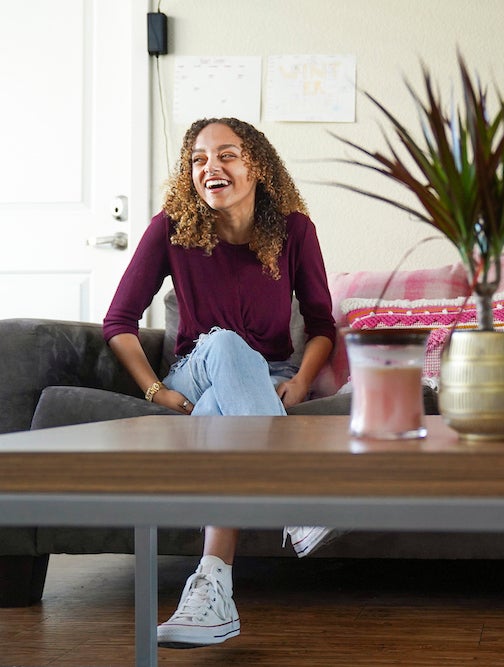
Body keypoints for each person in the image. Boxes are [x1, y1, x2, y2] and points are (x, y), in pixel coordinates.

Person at [103, 117, 338, 648]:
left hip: (267, 377)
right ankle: (298, 500)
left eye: (226, 154)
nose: (211, 167)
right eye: (198, 159)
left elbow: (322, 326)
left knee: (217, 415)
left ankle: (211, 593)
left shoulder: (294, 231)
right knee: (227, 345)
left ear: (256, 165)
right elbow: (118, 322)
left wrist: (301, 381)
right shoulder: (170, 229)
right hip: (197, 363)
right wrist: (153, 390)